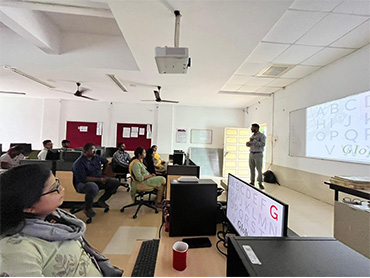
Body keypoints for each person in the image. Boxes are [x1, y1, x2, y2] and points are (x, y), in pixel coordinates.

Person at [0, 164, 123, 277]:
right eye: (55, 189)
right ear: (28, 207)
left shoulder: (56, 218)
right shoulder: (16, 251)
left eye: (57, 183)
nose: (62, 189)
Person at [72, 143, 120, 218]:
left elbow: (106, 162)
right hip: (82, 183)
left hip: (98, 180)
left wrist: (104, 173)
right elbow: (84, 178)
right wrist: (100, 179)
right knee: (93, 187)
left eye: (95, 149)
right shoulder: (79, 163)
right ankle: (87, 208)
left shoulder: (96, 157)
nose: (94, 151)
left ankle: (101, 201)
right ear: (85, 152)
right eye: (92, 150)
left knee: (115, 183)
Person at [246, 123, 266, 190]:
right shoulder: (252, 136)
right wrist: (248, 143)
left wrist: (254, 141)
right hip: (251, 153)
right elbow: (252, 143)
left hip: (258, 154)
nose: (251, 129)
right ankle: (252, 181)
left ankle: (260, 183)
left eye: (252, 128)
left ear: (256, 128)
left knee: (259, 169)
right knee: (251, 168)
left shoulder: (262, 136)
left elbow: (262, 144)